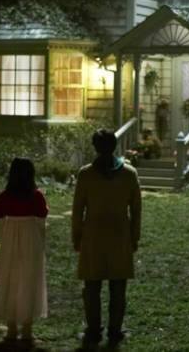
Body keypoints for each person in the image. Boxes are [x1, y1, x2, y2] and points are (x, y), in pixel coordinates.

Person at [72, 129, 142, 347]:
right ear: (115, 146)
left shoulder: (86, 174)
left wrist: (76, 236)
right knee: (118, 286)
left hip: (93, 235)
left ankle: (93, 330)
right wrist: (134, 236)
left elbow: (78, 210)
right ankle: (115, 329)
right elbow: (136, 210)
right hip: (119, 234)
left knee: (92, 286)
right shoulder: (129, 174)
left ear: (95, 147)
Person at [0, 157, 48, 346]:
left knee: (9, 279)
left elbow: (0, 221)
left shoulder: (4, 196)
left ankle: (11, 328)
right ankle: (27, 329)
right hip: (30, 238)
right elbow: (41, 220)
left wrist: (6, 239)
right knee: (29, 279)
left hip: (10, 238)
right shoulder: (36, 196)